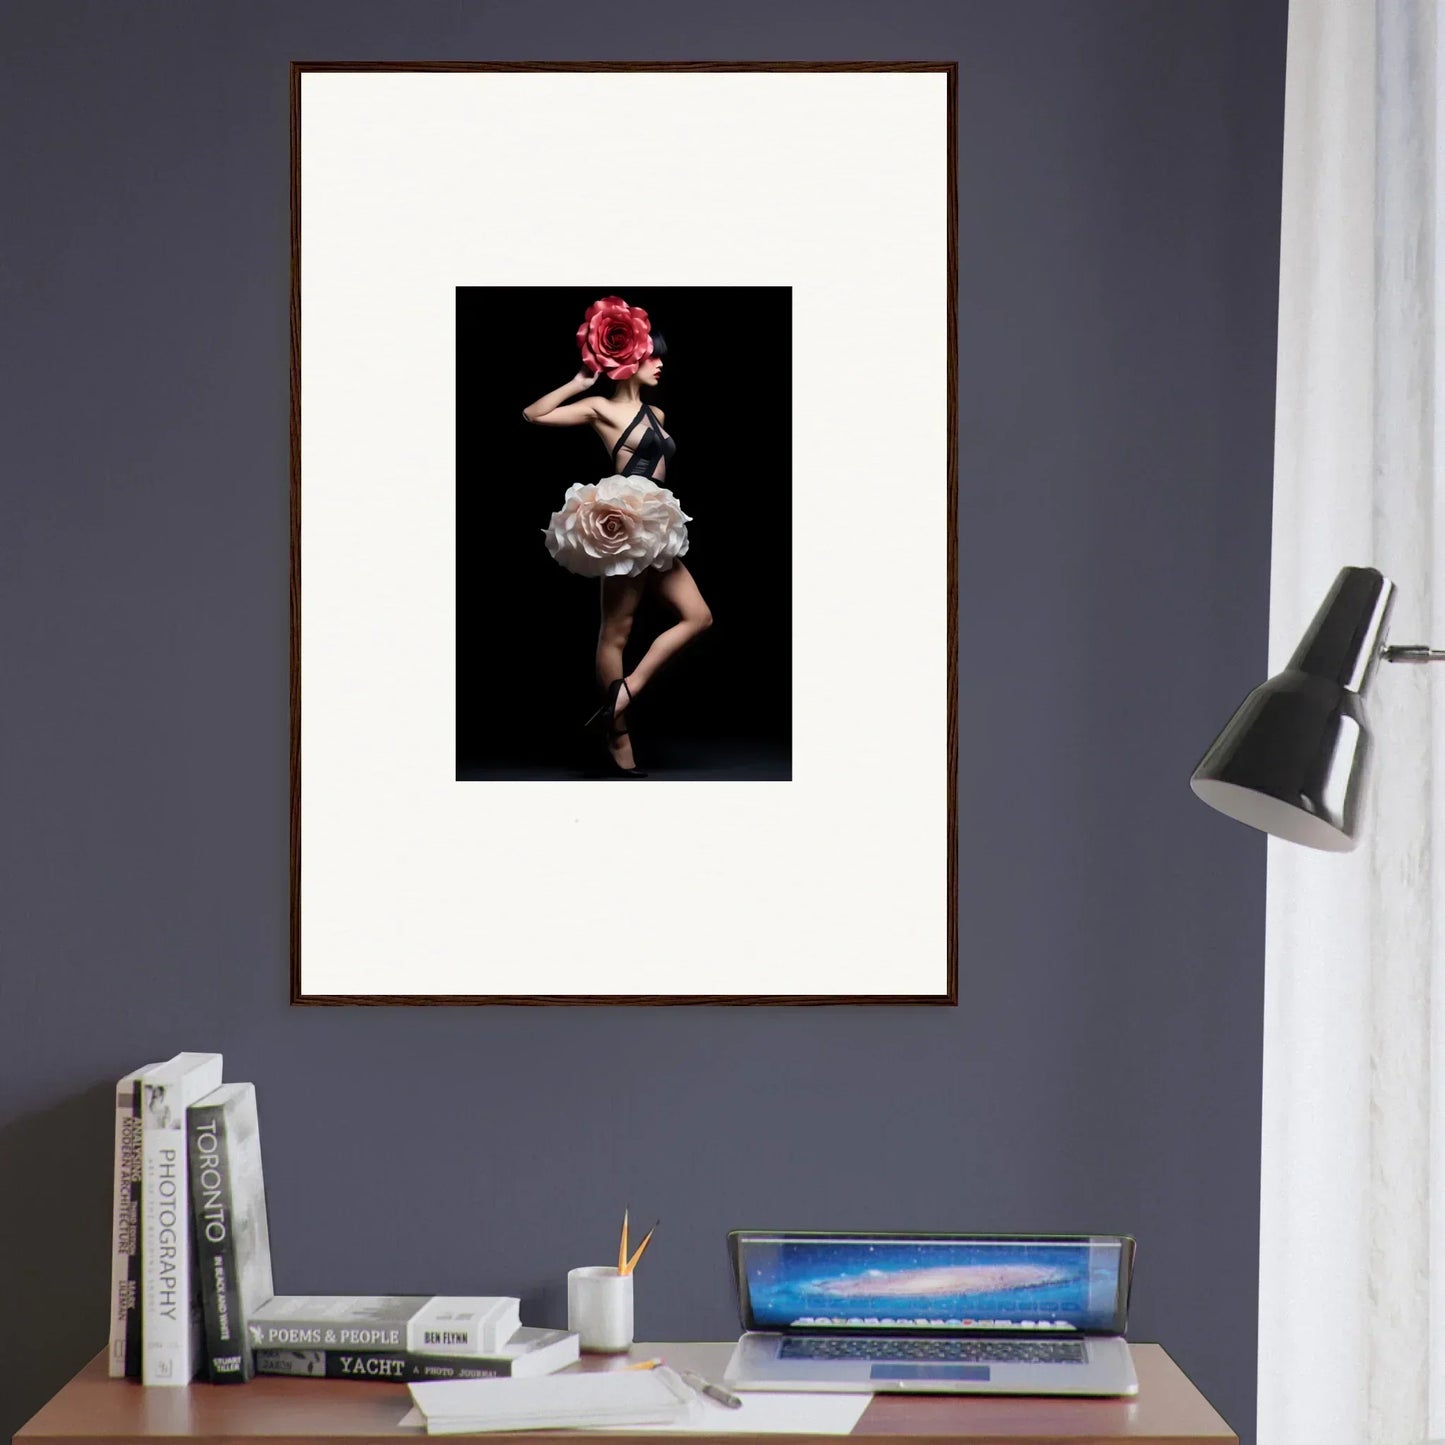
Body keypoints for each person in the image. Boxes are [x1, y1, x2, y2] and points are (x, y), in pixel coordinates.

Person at [524, 296, 713, 777]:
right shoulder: (600, 408)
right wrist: (578, 382)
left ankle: (623, 693)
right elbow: (533, 415)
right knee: (616, 632)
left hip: (655, 523)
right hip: (623, 524)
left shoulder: (659, 415)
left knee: (698, 617)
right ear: (629, 362)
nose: (660, 364)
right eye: (652, 356)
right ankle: (618, 735)